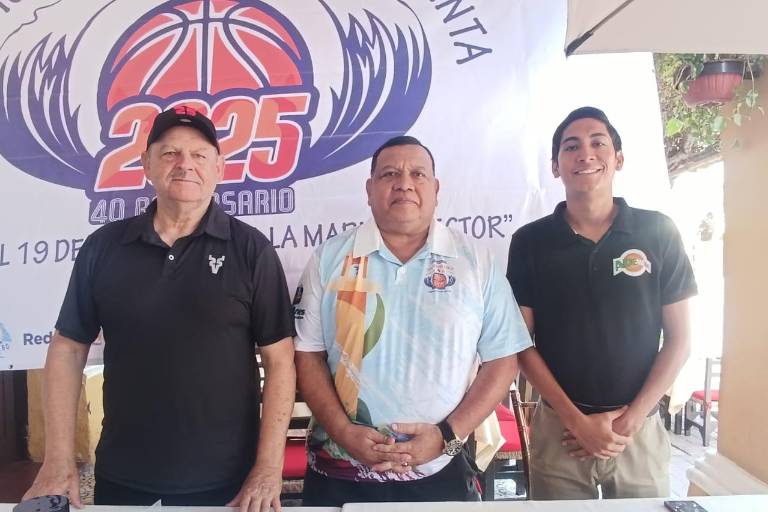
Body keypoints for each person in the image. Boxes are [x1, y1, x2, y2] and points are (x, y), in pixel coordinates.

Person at [23, 106, 296, 511]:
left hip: (228, 484)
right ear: (146, 165)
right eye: (169, 153)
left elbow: (280, 361)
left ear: (219, 167)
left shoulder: (251, 250)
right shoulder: (105, 247)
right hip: (124, 476)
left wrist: (268, 467)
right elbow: (67, 347)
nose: (185, 164)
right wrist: (59, 458)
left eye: (199, 155)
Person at [292, 135, 532, 506]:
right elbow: (307, 355)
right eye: (389, 174)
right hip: (340, 468)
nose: (404, 183)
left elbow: (503, 359)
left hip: (441, 469)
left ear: (435, 190)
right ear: (369, 190)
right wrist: (343, 431)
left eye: (418, 174)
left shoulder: (475, 261)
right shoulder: (330, 258)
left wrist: (447, 434)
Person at [506, 106, 697, 499]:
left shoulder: (657, 231)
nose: (585, 154)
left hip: (637, 431)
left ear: (619, 158)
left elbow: (679, 340)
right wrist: (576, 421)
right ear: (556, 166)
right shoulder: (530, 242)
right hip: (560, 429)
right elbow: (520, 343)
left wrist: (631, 419)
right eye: (571, 146)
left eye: (598, 143)